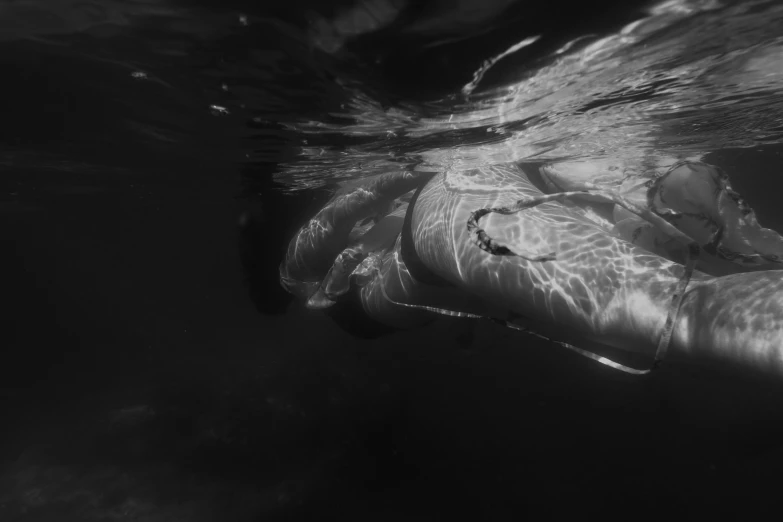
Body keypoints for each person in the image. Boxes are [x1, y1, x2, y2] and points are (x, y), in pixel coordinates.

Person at [280, 160, 783, 378]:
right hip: (446, 213)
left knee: (677, 304)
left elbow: (324, 232)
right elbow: (329, 224)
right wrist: (409, 171)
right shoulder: (326, 283)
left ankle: (682, 220)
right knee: (679, 306)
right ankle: (679, 212)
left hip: (452, 228)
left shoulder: (336, 285)